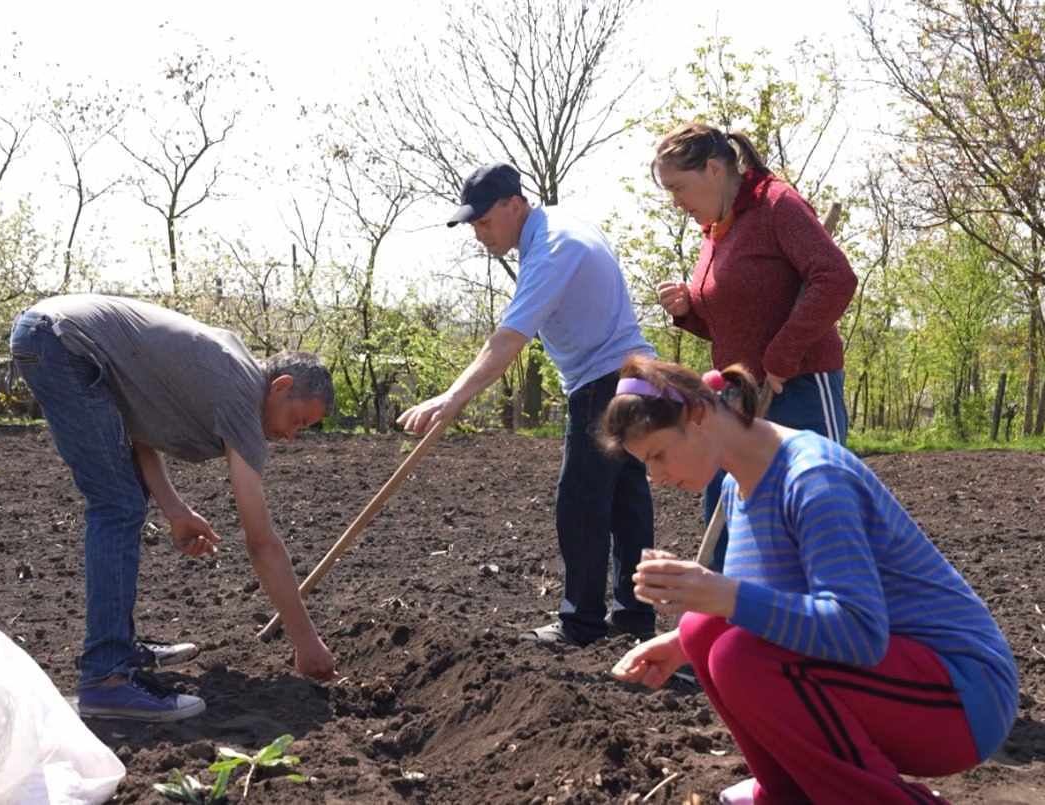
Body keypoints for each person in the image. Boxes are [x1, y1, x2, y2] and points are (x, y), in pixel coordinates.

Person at [603, 356, 1017, 804]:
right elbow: (765, 613)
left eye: (658, 455)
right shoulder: (735, 486)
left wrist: (723, 593)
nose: (656, 478)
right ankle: (788, 794)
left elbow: (859, 632)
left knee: (739, 653)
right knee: (705, 630)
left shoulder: (813, 478)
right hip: (902, 686)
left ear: (698, 415)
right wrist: (683, 644)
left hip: (963, 698)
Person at [9, 293, 337, 722]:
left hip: (55, 335)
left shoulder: (230, 371)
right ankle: (106, 679)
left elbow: (136, 426)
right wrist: (306, 641)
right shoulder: (242, 392)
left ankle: (117, 650)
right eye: (298, 421)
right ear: (282, 387)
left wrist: (175, 510)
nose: (293, 436)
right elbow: (260, 542)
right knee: (116, 503)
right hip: (61, 342)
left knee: (123, 498)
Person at [397, 162, 656, 647]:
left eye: (484, 221)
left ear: (515, 204)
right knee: (626, 500)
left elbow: (510, 338)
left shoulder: (554, 248)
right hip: (630, 373)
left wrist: (452, 399)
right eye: (472, 225)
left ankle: (580, 622)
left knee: (582, 500)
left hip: (603, 380)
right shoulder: (561, 228)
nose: (479, 235)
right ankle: (633, 617)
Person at [651, 123, 858, 570]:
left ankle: (817, 629)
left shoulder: (776, 204)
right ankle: (726, 629)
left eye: (678, 187)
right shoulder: (714, 230)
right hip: (738, 394)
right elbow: (738, 325)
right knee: (730, 518)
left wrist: (784, 353)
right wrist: (689, 310)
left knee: (804, 519)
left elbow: (835, 278)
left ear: (711, 169)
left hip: (798, 390)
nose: (675, 201)